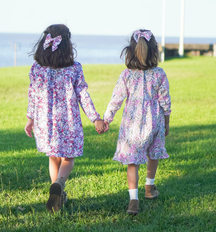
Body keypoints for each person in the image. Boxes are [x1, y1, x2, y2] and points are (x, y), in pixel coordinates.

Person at [24, 24, 105, 213]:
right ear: (67, 45)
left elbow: (33, 96)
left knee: (53, 156)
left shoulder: (37, 68)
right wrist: (95, 118)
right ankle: (60, 183)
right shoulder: (74, 68)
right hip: (68, 121)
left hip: (45, 122)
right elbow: (83, 95)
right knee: (68, 157)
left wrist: (30, 119)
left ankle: (57, 192)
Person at [103, 29, 171, 215]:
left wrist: (106, 119)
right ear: (153, 51)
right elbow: (165, 100)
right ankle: (149, 187)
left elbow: (116, 99)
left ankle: (134, 200)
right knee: (153, 153)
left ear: (131, 51)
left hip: (131, 126)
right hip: (154, 121)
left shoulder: (126, 75)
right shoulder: (159, 74)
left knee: (133, 162)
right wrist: (166, 121)